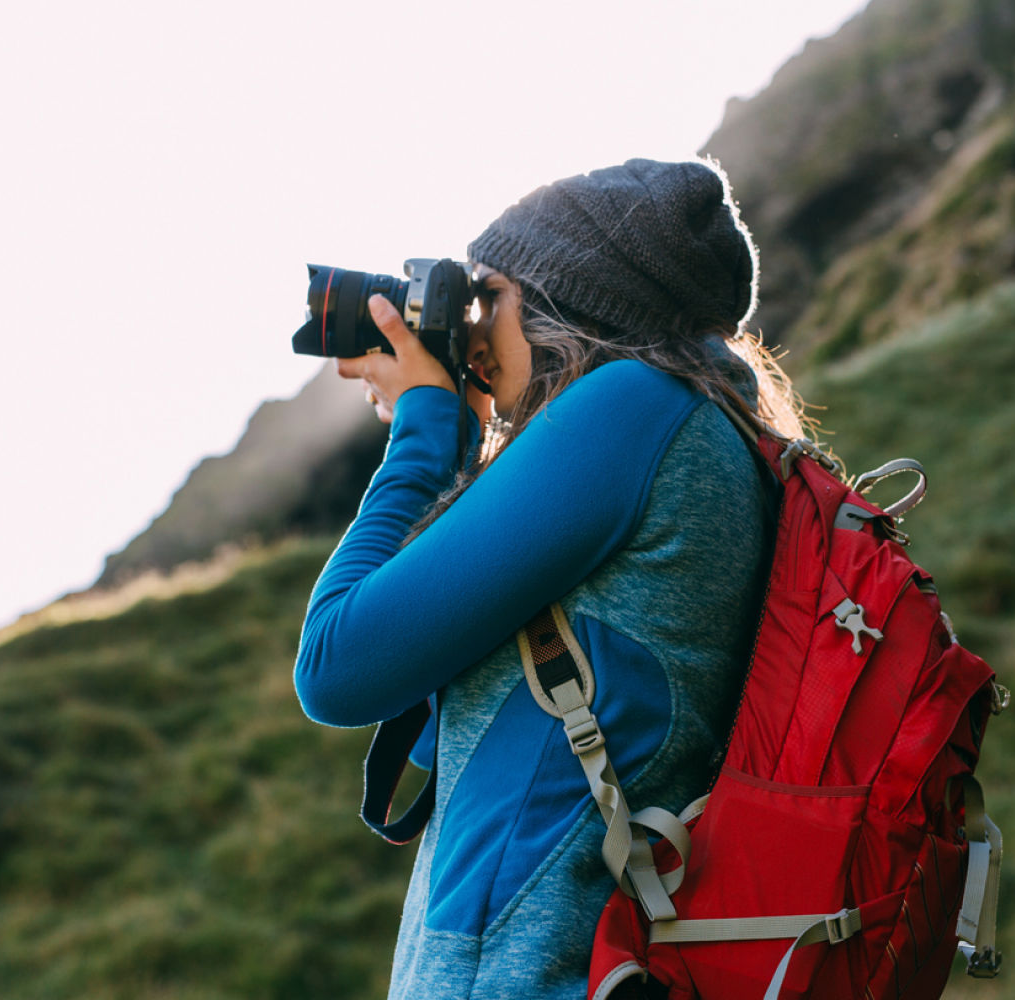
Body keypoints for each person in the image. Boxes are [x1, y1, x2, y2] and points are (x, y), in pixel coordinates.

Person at [294, 159, 808, 1000]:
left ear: (572, 298)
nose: (473, 326)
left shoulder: (634, 407)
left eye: (488, 296)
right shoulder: (714, 432)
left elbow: (337, 665)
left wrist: (428, 432)